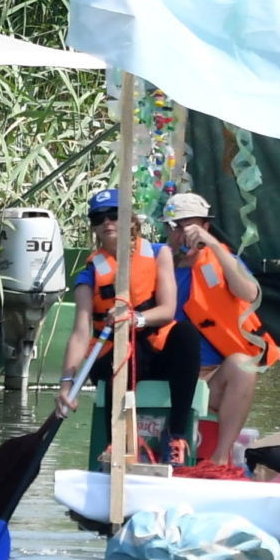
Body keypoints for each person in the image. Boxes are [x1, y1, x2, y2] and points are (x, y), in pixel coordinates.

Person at [59, 186, 202, 466]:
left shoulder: (158, 254)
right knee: (122, 354)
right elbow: (80, 333)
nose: (107, 222)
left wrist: (135, 319)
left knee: (186, 334)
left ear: (131, 220)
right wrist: (66, 383)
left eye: (114, 215)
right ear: (94, 228)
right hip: (113, 355)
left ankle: (176, 436)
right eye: (99, 219)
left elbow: (167, 310)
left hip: (153, 346)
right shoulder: (88, 275)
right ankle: (117, 442)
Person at [162, 192, 276, 465]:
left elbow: (249, 294)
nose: (185, 234)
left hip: (211, 377)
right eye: (178, 227)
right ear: (167, 228)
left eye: (193, 226)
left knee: (244, 364)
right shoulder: (158, 261)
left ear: (206, 227)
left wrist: (213, 246)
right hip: (167, 374)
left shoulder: (222, 259)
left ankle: (220, 459)